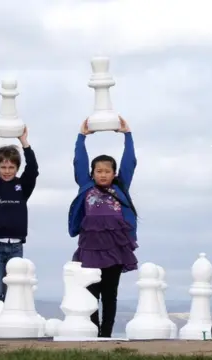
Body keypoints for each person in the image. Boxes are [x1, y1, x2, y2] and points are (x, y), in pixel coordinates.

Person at [68, 116, 138, 338]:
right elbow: (79, 162)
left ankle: (106, 334)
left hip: (115, 250)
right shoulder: (86, 186)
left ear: (114, 173)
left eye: (107, 171)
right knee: (91, 293)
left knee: (110, 294)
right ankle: (93, 331)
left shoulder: (121, 187)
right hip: (90, 248)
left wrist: (128, 135)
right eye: (99, 171)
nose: (103, 174)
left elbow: (130, 161)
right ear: (92, 173)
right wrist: (81, 137)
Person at [0, 124, 39, 301]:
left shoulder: (22, 187)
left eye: (11, 167)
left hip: (16, 247)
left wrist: (24, 142)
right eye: (3, 167)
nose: (7, 171)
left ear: (17, 168)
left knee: (12, 292)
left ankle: (8, 327)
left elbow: (33, 170)